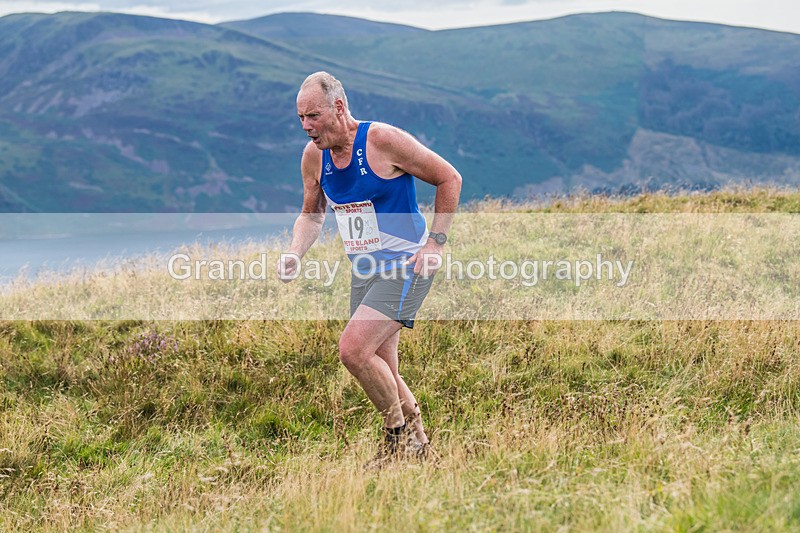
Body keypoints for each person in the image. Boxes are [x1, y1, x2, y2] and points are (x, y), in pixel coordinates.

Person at [278, 71, 462, 466]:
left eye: (313, 116)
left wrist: (436, 242)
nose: (306, 127)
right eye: (300, 119)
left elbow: (449, 178)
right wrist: (295, 253)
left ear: (339, 108)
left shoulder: (381, 141)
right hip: (364, 269)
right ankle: (421, 448)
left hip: (408, 264)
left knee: (353, 351)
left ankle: (395, 441)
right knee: (384, 366)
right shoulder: (314, 157)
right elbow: (311, 216)